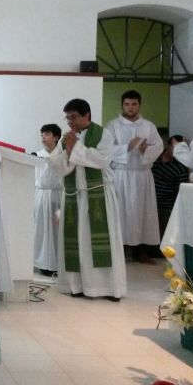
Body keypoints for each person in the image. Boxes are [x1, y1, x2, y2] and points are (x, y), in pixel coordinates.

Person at [49, 99, 127, 301]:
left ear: (87, 116)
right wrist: (67, 150)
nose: (69, 122)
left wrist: (74, 148)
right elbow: (58, 165)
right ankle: (76, 285)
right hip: (74, 195)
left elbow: (101, 160)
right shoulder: (66, 138)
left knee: (101, 243)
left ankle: (107, 288)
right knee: (77, 243)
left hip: (98, 195)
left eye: (73, 117)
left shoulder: (104, 135)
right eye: (67, 117)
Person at [105, 91, 164, 264]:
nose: (131, 108)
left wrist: (146, 150)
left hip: (141, 175)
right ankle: (120, 250)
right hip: (121, 175)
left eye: (134, 104)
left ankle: (141, 251)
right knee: (121, 212)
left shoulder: (148, 126)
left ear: (139, 105)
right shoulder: (112, 125)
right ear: (122, 105)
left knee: (142, 213)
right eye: (127, 104)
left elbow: (159, 146)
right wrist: (126, 148)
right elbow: (106, 149)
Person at [33, 124, 63, 276]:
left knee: (58, 228)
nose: (43, 137)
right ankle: (42, 263)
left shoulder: (64, 155)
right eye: (42, 134)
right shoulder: (36, 155)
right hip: (42, 196)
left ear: (56, 137)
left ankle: (58, 263)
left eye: (47, 134)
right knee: (41, 229)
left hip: (58, 196)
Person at [152, 135, 189, 236]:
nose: (177, 150)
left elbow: (181, 191)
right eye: (175, 146)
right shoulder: (154, 158)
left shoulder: (181, 167)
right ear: (168, 146)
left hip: (166, 206)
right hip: (149, 203)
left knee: (164, 234)